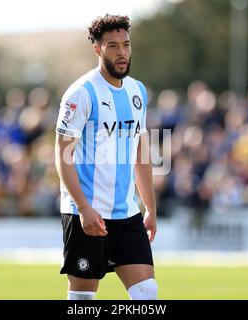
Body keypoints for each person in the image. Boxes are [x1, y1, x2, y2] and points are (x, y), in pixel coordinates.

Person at [54, 14, 158, 300]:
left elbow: (141, 151)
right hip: (87, 214)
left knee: (148, 293)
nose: (122, 52)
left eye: (126, 44)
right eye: (113, 46)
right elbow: (62, 156)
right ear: (97, 49)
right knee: (83, 300)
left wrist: (149, 207)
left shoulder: (138, 91)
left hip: (127, 214)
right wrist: (84, 208)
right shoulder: (80, 94)